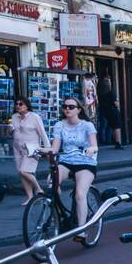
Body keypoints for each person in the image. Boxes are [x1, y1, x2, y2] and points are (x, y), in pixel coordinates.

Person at [48, 97, 99, 239]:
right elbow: (55, 148)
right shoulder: (59, 125)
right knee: (52, 183)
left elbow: (94, 145)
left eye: (71, 107)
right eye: (65, 106)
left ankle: (82, 230)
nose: (67, 109)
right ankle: (59, 215)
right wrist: (39, 149)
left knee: (80, 194)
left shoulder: (87, 125)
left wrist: (92, 149)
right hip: (66, 161)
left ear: (79, 110)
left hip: (85, 162)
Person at [10, 97, 49, 203]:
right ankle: (30, 197)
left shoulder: (34, 117)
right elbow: (14, 131)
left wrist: (48, 149)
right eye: (17, 104)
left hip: (31, 148)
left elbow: (42, 133)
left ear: (27, 106)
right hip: (17, 147)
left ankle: (38, 189)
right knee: (21, 172)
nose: (18, 106)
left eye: (21, 104)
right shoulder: (14, 117)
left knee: (24, 171)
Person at [97, 78, 123, 149]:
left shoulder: (100, 93)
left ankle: (102, 140)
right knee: (116, 126)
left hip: (104, 111)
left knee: (105, 126)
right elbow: (116, 103)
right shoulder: (111, 92)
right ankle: (117, 142)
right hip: (113, 111)